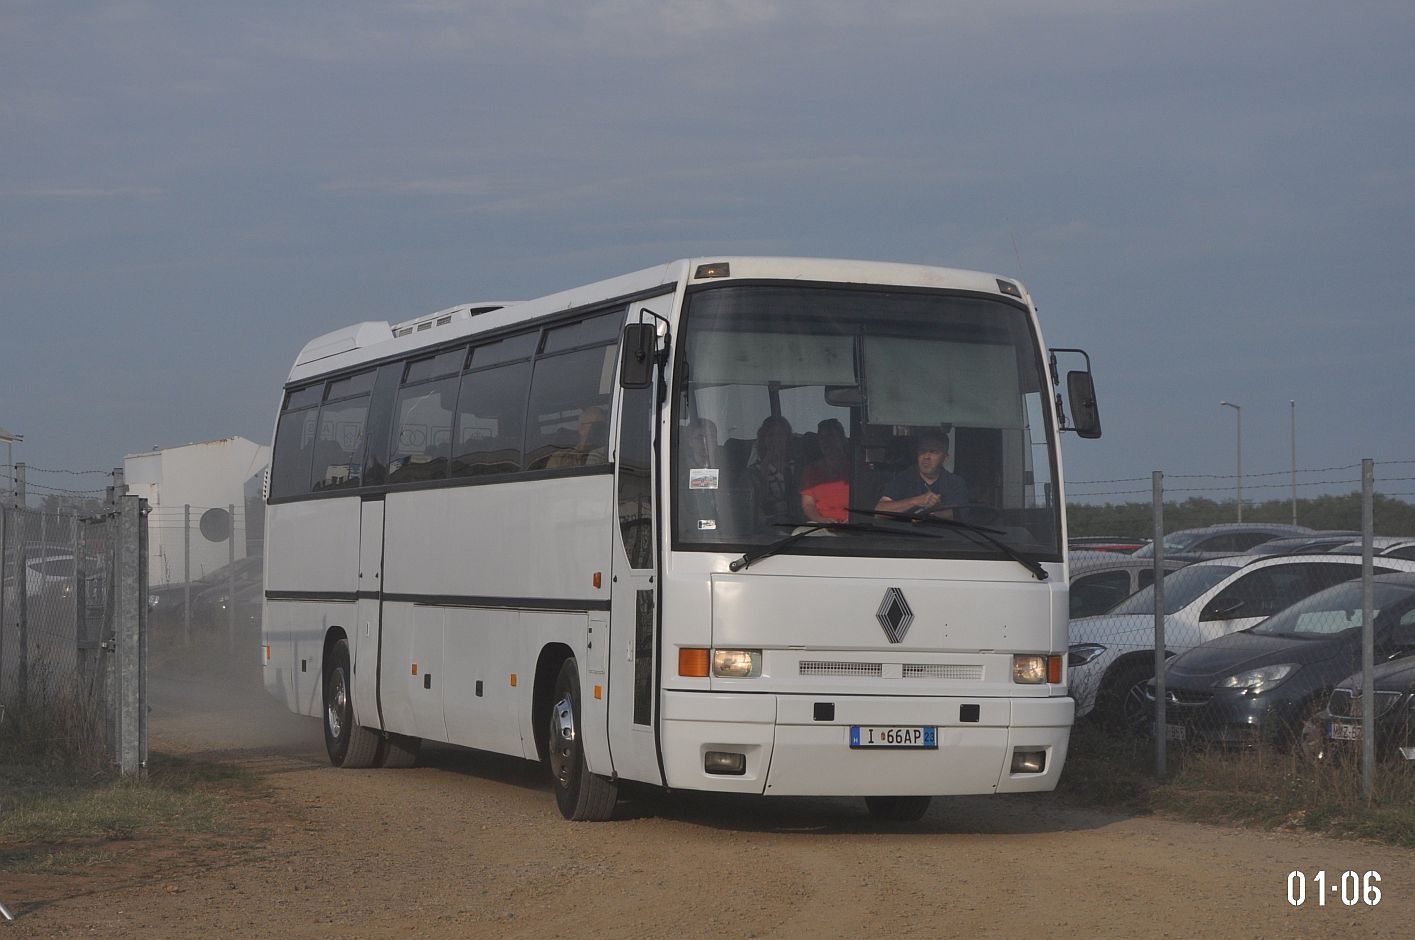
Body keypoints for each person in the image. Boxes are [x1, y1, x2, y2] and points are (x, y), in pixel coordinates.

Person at [875, 430, 967, 519]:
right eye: (922, 451)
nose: (926, 456)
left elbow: (957, 515)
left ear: (945, 458)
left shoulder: (955, 482)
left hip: (944, 534)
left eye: (933, 452)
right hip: (905, 533)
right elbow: (879, 512)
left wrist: (933, 512)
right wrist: (917, 501)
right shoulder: (904, 478)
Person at [746, 415, 797, 531]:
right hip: (767, 528)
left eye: (780, 435)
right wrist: (764, 469)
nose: (775, 440)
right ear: (763, 440)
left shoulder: (797, 467)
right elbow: (756, 504)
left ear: (787, 439)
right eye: (770, 435)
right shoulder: (753, 472)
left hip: (798, 526)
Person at [801, 418, 850, 523]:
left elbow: (866, 501)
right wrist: (821, 520)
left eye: (830, 436)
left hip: (854, 526)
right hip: (822, 526)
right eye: (822, 438)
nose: (826, 441)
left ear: (841, 439)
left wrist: (853, 519)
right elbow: (808, 504)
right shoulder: (811, 470)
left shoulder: (855, 468)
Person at [546, 404, 608, 469]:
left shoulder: (608, 453)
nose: (600, 428)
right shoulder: (561, 457)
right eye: (595, 425)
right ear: (582, 428)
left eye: (602, 425)